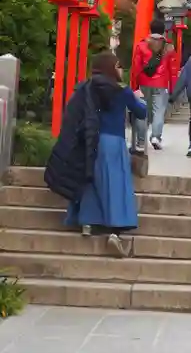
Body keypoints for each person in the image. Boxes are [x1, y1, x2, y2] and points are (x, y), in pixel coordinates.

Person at [45, 51, 147, 257]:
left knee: (90, 178)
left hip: (91, 140)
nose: (121, 70)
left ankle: (86, 222)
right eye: (118, 66)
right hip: (114, 142)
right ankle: (116, 226)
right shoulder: (122, 90)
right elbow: (141, 112)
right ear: (111, 68)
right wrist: (139, 98)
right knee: (116, 183)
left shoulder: (86, 87)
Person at [131, 19, 177, 150]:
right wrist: (172, 87)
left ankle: (140, 141)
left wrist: (134, 85)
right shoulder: (168, 47)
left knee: (141, 110)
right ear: (163, 30)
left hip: (144, 82)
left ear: (150, 29)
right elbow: (172, 69)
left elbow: (136, 67)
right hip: (161, 83)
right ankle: (156, 136)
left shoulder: (142, 45)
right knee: (159, 111)